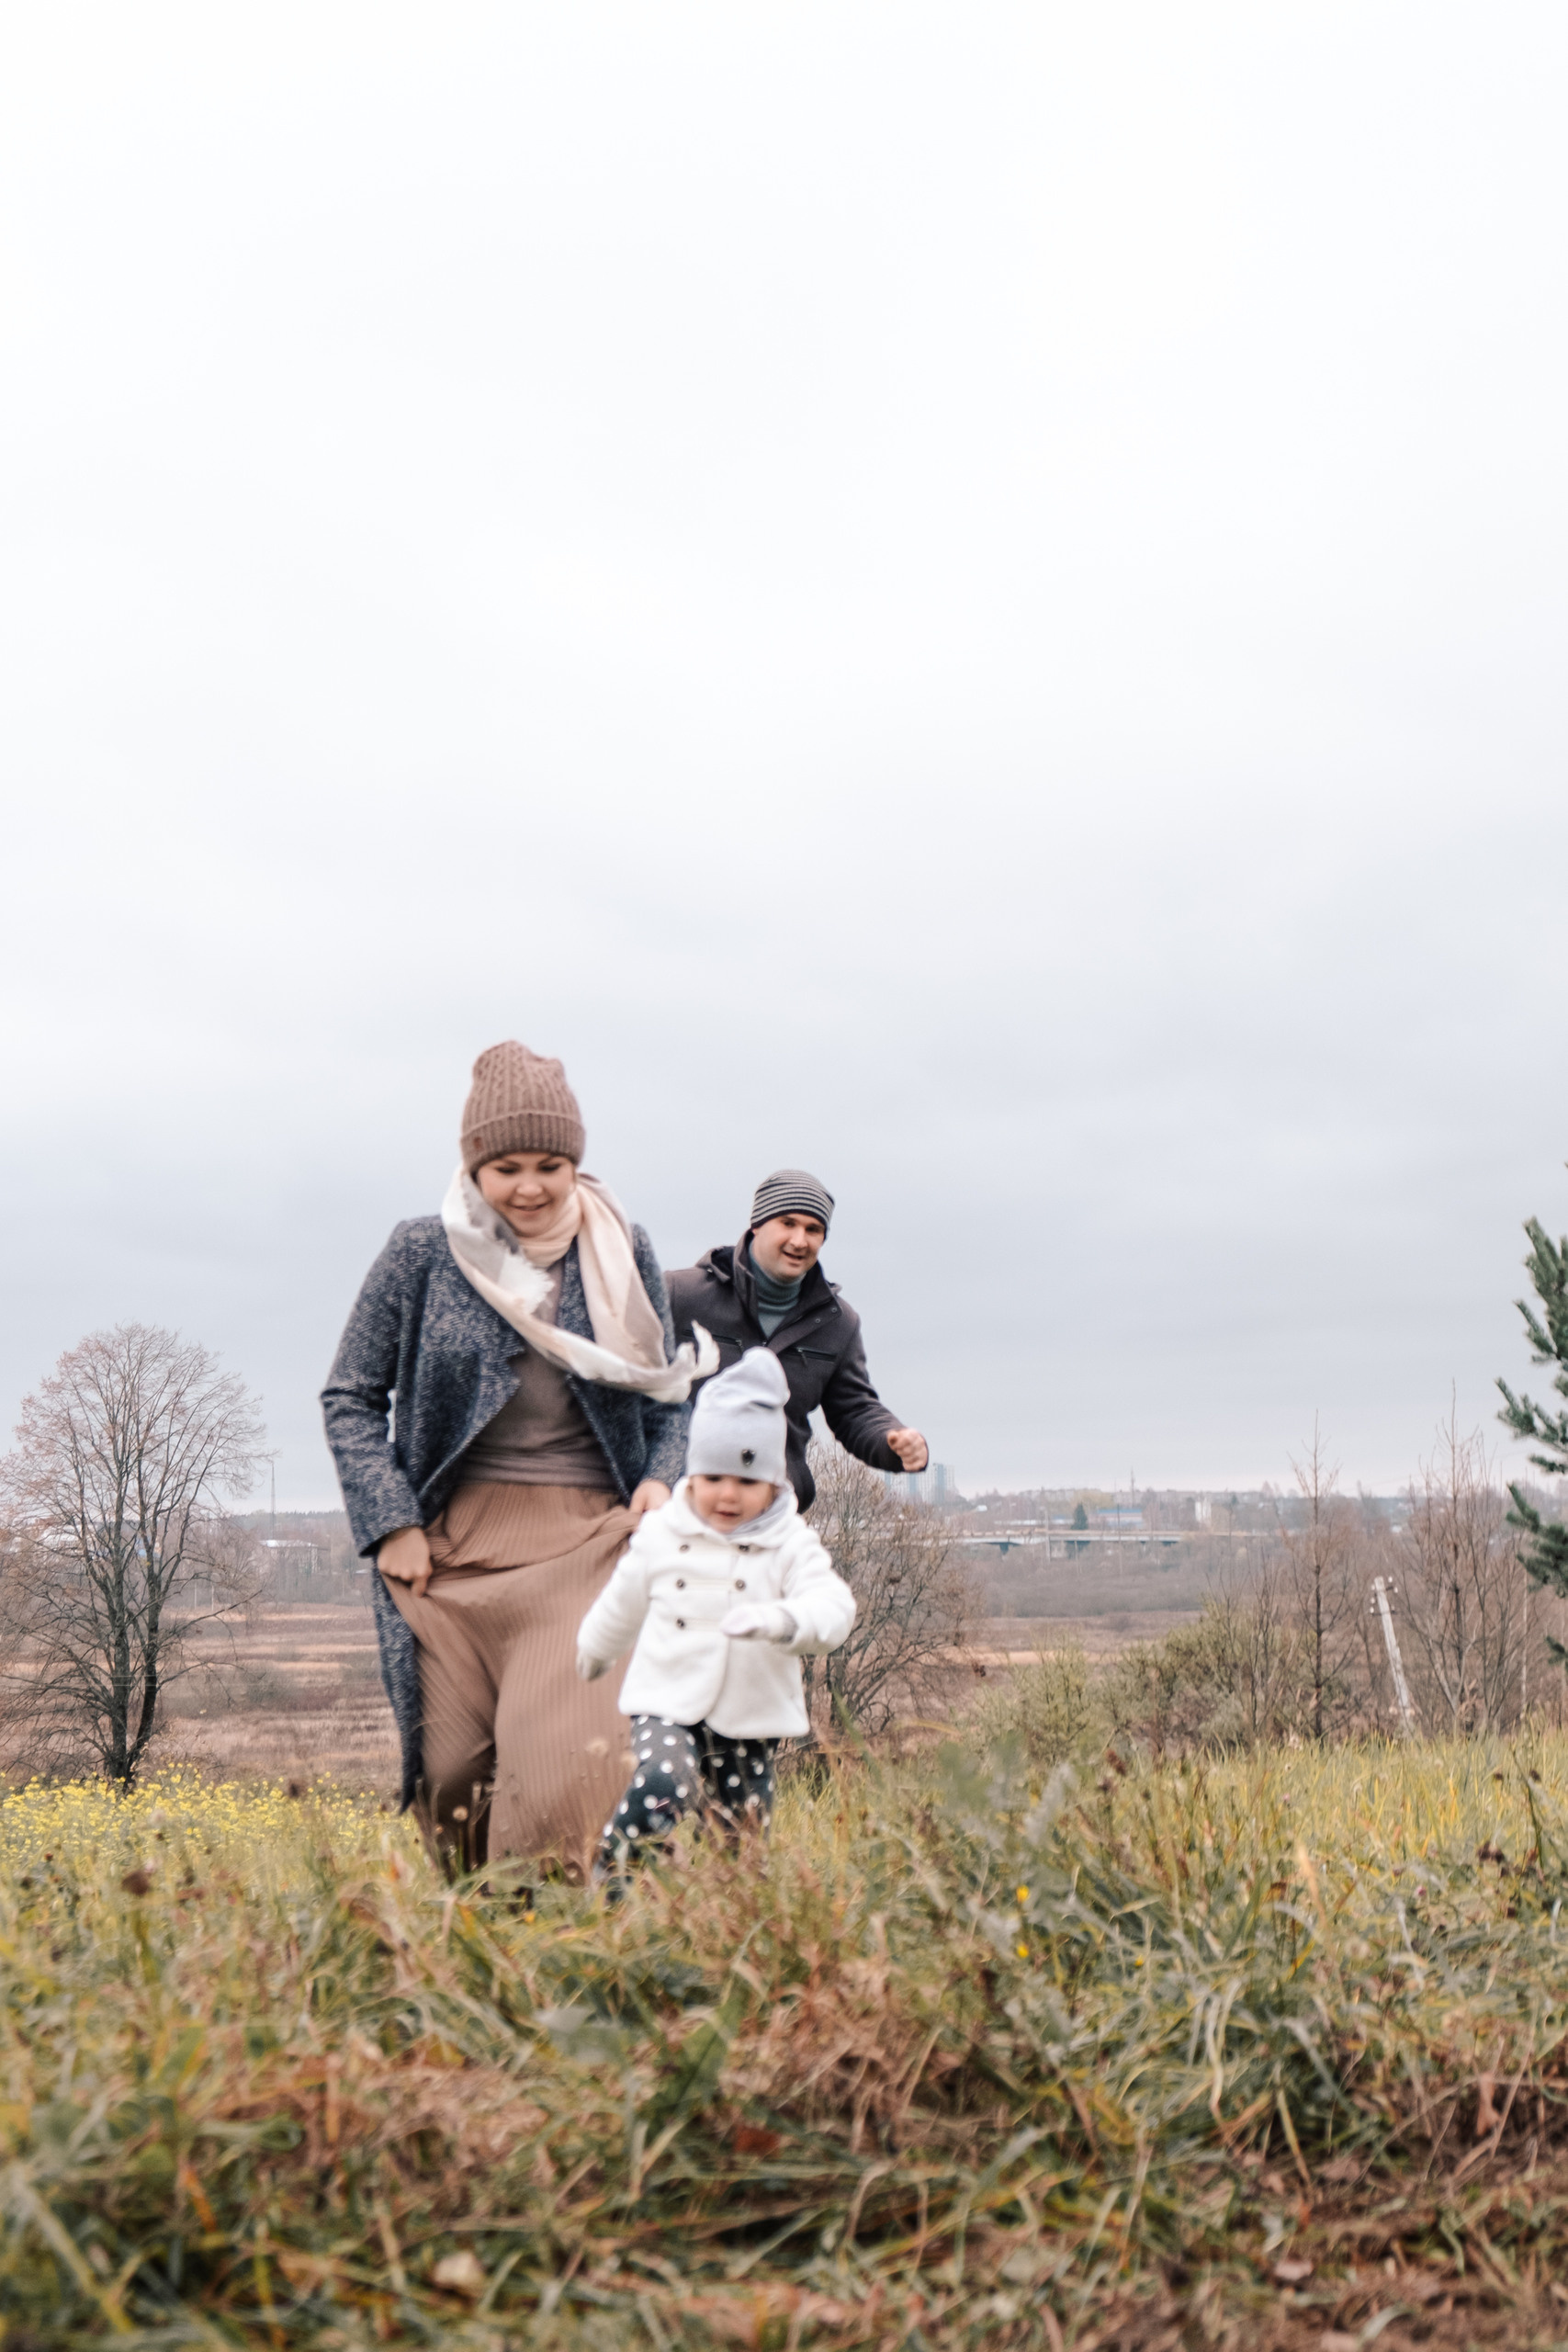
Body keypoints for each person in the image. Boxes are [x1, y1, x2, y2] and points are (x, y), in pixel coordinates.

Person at [321, 1041, 712, 1882]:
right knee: (451, 1786)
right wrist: (390, 1522)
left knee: (562, 1784)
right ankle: (479, 1965)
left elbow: (668, 1393)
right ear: (473, 1167)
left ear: (576, 1162)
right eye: (506, 1166)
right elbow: (349, 1397)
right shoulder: (419, 1253)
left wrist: (657, 1482)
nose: (530, 1187)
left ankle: (568, 1971)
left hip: (583, 1550)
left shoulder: (621, 1247)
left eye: (550, 1163)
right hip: (445, 1555)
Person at [575, 1349, 855, 1873]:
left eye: (747, 1482)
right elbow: (624, 1596)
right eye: (713, 1478)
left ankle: (722, 1927)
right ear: (693, 1475)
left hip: (749, 1717)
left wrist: (783, 1620)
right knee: (664, 1780)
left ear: (773, 1483)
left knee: (742, 1848)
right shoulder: (665, 1531)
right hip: (668, 1699)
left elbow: (834, 1606)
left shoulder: (789, 1541)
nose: (728, 1495)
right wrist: (594, 1649)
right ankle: (616, 1876)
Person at [666, 1168, 929, 1512]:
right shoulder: (679, 1296)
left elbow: (854, 1409)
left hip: (773, 1519)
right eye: (787, 1223)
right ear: (757, 1224)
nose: (799, 1240)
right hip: (676, 1510)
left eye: (813, 1229)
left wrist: (892, 1441)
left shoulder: (838, 1323)